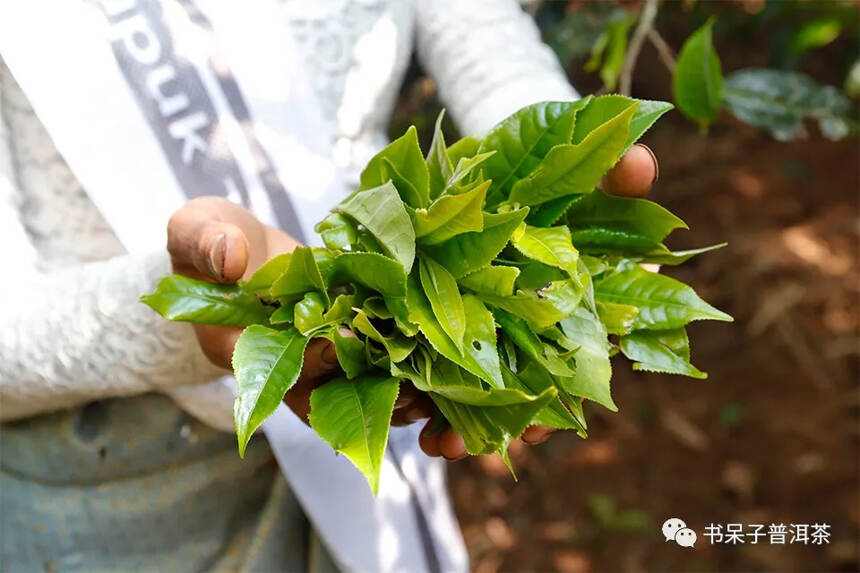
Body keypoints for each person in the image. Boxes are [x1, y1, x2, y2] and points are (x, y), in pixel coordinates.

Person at [0, 0, 658, 570]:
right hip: (117, 486)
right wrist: (192, 307)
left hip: (380, 383)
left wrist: (558, 175)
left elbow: (486, 45)